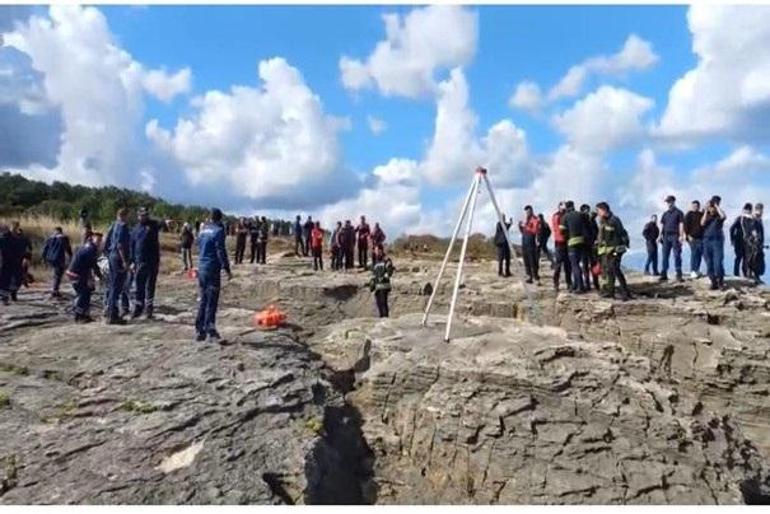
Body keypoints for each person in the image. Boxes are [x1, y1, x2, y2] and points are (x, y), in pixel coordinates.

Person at [195, 208, 232, 343]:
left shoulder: (203, 231)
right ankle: (210, 330)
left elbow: (198, 245)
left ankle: (200, 330)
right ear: (220, 218)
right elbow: (220, 250)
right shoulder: (218, 231)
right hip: (212, 268)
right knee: (212, 300)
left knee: (203, 298)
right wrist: (226, 268)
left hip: (202, 267)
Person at [596, 202, 631, 301]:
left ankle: (625, 292)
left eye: (598, 210)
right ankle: (610, 291)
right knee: (609, 270)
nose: (598, 213)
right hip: (608, 250)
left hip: (617, 249)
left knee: (615, 269)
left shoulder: (615, 220)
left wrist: (622, 246)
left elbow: (622, 234)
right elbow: (602, 236)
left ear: (604, 210)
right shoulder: (603, 221)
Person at [66, 231, 104, 323]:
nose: (99, 242)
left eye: (100, 240)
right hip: (76, 274)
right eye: (97, 240)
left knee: (86, 293)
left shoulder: (87, 246)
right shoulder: (90, 249)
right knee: (83, 294)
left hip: (75, 272)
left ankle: (85, 315)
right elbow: (92, 265)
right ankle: (79, 316)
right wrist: (97, 277)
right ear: (92, 238)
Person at [130, 207, 161, 320]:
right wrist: (132, 261)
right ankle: (138, 308)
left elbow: (162, 222)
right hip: (139, 261)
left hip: (152, 261)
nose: (144, 217)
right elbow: (132, 246)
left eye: (146, 215)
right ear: (138, 216)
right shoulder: (135, 229)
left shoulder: (153, 225)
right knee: (139, 286)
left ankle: (149, 309)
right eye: (142, 215)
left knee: (150, 285)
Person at [105, 208, 132, 325]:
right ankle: (113, 315)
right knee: (117, 287)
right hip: (119, 258)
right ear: (125, 215)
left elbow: (106, 241)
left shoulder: (113, 225)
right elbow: (120, 245)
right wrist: (124, 261)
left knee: (112, 286)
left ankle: (110, 311)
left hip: (112, 256)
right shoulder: (123, 226)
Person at [560, 201, 589, 293]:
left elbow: (562, 231)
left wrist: (567, 237)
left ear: (566, 207)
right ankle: (577, 284)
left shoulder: (565, 217)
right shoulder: (581, 215)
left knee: (575, 265)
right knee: (582, 264)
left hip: (572, 243)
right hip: (583, 242)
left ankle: (580, 286)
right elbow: (588, 226)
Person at [701, 198, 727, 290]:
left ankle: (720, 281)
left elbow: (724, 216)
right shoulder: (706, 216)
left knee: (718, 262)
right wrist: (706, 210)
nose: (712, 209)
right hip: (706, 240)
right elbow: (702, 223)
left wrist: (716, 206)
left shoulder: (718, 217)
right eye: (710, 207)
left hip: (717, 240)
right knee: (709, 263)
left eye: (713, 207)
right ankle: (713, 282)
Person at [659, 195, 685, 282]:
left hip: (675, 236)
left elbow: (681, 224)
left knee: (677, 255)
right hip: (666, 236)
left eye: (670, 202)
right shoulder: (665, 214)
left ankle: (678, 274)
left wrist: (681, 235)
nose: (668, 203)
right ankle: (664, 274)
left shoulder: (679, 212)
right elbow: (662, 225)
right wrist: (659, 235)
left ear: (674, 202)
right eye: (667, 202)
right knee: (665, 255)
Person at [42, 226, 73, 299]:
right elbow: (68, 248)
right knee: (58, 275)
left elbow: (45, 248)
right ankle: (55, 291)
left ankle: (55, 289)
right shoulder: (64, 238)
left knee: (56, 274)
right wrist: (71, 256)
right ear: (61, 231)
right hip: (59, 258)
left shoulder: (50, 238)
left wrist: (43, 258)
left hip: (50, 258)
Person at [4, 222, 31, 302]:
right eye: (13, 227)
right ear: (10, 228)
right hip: (6, 260)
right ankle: (6, 295)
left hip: (18, 261)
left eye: (16, 227)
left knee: (18, 279)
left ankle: (13, 292)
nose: (15, 229)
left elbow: (28, 249)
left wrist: (27, 258)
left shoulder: (22, 238)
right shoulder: (4, 236)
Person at [551, 202, 572, 292]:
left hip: (567, 242)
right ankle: (556, 283)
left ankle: (569, 283)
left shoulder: (566, 215)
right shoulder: (557, 216)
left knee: (568, 265)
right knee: (558, 265)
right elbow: (559, 228)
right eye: (563, 207)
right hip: (560, 242)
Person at [369, 246, 395, 318]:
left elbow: (389, 271)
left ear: (381, 250)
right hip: (377, 287)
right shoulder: (375, 261)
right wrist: (372, 282)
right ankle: (381, 318)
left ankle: (385, 319)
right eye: (375, 250)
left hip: (384, 285)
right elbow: (373, 274)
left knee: (383, 303)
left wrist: (384, 276)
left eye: (377, 250)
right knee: (379, 304)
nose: (376, 252)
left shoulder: (386, 260)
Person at [730, 203, 754, 277]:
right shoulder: (740, 218)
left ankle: (744, 273)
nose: (748, 211)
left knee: (746, 258)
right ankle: (736, 273)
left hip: (746, 242)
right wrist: (732, 239)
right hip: (739, 241)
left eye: (749, 210)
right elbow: (732, 228)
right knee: (739, 257)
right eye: (747, 209)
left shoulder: (751, 220)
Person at [518, 205, 540, 284]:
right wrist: (520, 226)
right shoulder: (525, 219)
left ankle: (535, 277)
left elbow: (535, 230)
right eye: (526, 211)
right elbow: (522, 231)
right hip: (524, 241)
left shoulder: (535, 219)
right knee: (526, 260)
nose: (527, 213)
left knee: (532, 260)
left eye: (528, 211)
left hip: (531, 241)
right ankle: (529, 276)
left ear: (531, 211)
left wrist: (526, 226)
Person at [581, 204, 600, 291]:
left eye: (588, 210)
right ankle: (588, 283)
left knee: (592, 265)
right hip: (585, 246)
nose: (587, 212)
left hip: (591, 246)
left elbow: (597, 232)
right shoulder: (583, 220)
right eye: (586, 210)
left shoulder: (592, 220)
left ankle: (595, 283)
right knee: (586, 265)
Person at [684, 200, 704, 278]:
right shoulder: (689, 214)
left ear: (699, 206)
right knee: (694, 253)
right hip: (692, 237)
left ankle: (697, 269)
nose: (695, 207)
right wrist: (688, 235)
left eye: (696, 206)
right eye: (693, 206)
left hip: (700, 238)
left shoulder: (701, 214)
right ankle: (692, 270)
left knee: (699, 254)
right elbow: (685, 225)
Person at [753, 203, 766, 282]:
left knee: (759, 260)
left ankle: (756, 276)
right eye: (760, 209)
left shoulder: (759, 219)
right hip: (755, 243)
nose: (761, 211)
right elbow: (753, 230)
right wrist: (756, 239)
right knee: (755, 259)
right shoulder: (754, 219)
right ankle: (754, 276)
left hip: (759, 243)